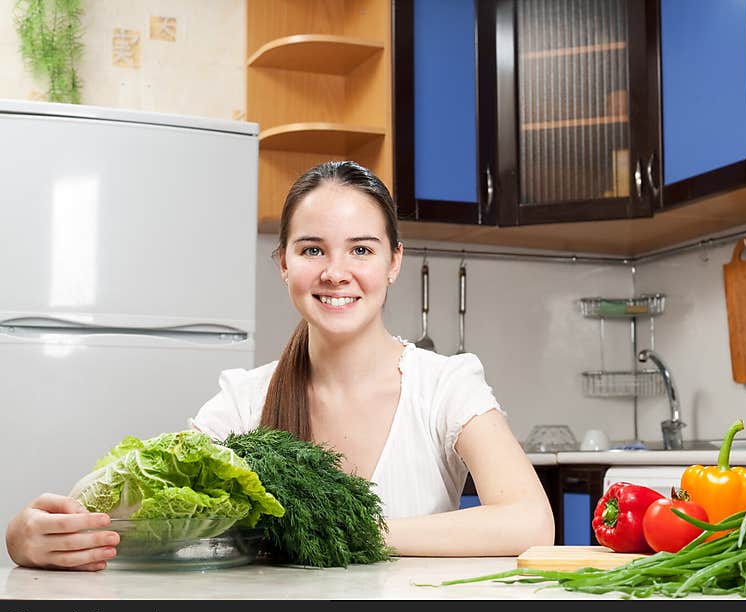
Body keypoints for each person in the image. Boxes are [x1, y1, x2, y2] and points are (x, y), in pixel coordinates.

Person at [5, 160, 555, 570]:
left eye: (361, 250)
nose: (336, 272)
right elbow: (144, 504)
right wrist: (40, 535)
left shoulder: (446, 386)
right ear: (284, 264)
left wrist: (350, 529)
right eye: (312, 249)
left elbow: (530, 520)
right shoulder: (244, 400)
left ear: (393, 263)